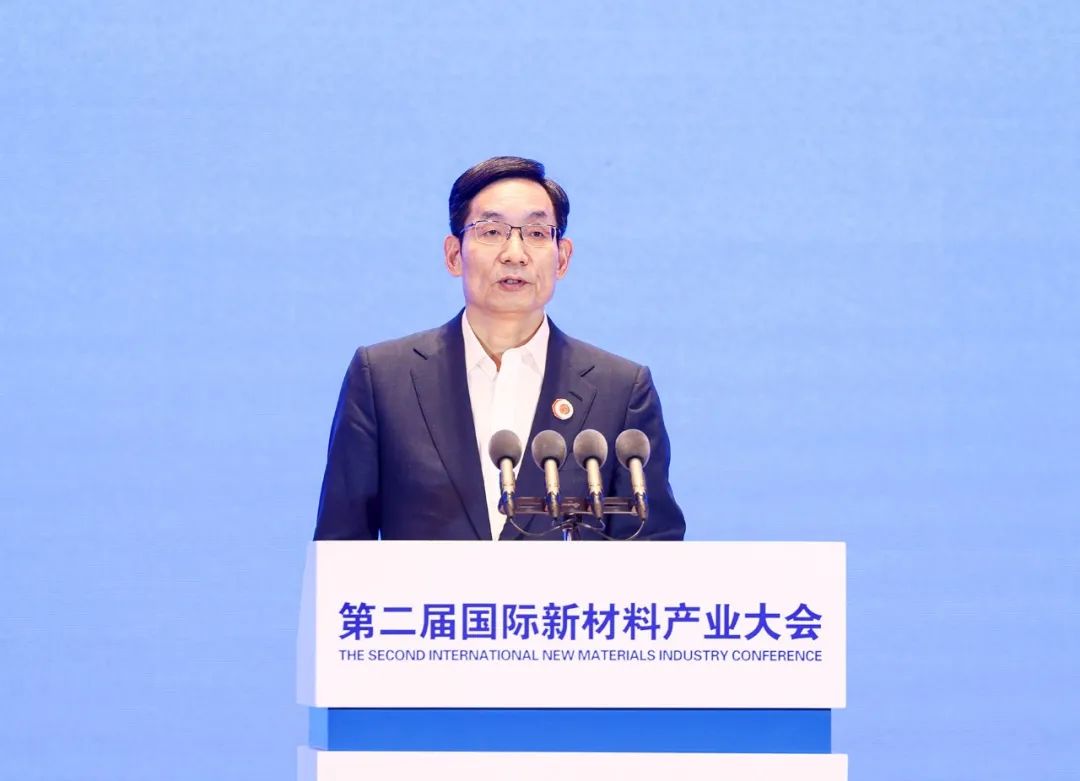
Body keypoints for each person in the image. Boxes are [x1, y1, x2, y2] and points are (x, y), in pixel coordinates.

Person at [314, 156, 684, 541]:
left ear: (563, 258)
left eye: (537, 233)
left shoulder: (620, 390)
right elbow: (339, 546)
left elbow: (653, 546)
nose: (514, 253)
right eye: (491, 231)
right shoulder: (383, 379)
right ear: (453, 255)